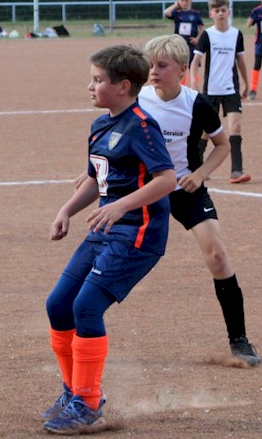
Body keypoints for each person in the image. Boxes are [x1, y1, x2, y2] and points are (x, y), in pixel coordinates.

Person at [41, 45, 177, 435]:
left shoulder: (142, 126)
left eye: (98, 80)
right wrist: (67, 210)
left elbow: (166, 179)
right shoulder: (101, 125)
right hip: (105, 230)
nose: (90, 86)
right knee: (58, 305)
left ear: (123, 86)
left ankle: (87, 402)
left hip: (138, 234)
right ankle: (74, 393)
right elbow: (93, 180)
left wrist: (120, 207)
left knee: (86, 307)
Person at [139, 34, 260, 366]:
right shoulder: (138, 99)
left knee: (217, 254)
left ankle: (240, 341)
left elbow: (221, 146)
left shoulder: (197, 104)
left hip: (185, 190)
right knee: (112, 252)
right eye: (150, 65)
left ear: (181, 70)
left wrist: (200, 174)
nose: (153, 71)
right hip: (145, 190)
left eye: (161, 65)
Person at [190, 0, 251, 184]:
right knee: (206, 132)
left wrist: (247, 83)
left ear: (229, 12)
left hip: (231, 89)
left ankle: (236, 170)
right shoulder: (207, 35)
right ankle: (196, 168)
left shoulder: (236, 34)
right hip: (211, 91)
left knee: (236, 126)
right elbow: (195, 61)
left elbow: (240, 60)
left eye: (223, 10)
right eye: (217, 11)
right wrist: (194, 83)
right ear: (211, 14)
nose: (221, 13)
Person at [164, 0, 205, 85]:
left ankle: (193, 85)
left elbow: (202, 28)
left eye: (186, 0)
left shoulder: (195, 14)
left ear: (191, 1)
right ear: (179, 1)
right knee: (179, 65)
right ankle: (181, 86)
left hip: (191, 44)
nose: (184, 2)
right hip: (179, 45)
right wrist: (175, 5)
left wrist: (197, 39)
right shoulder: (177, 13)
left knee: (192, 65)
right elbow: (166, 12)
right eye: (182, 0)